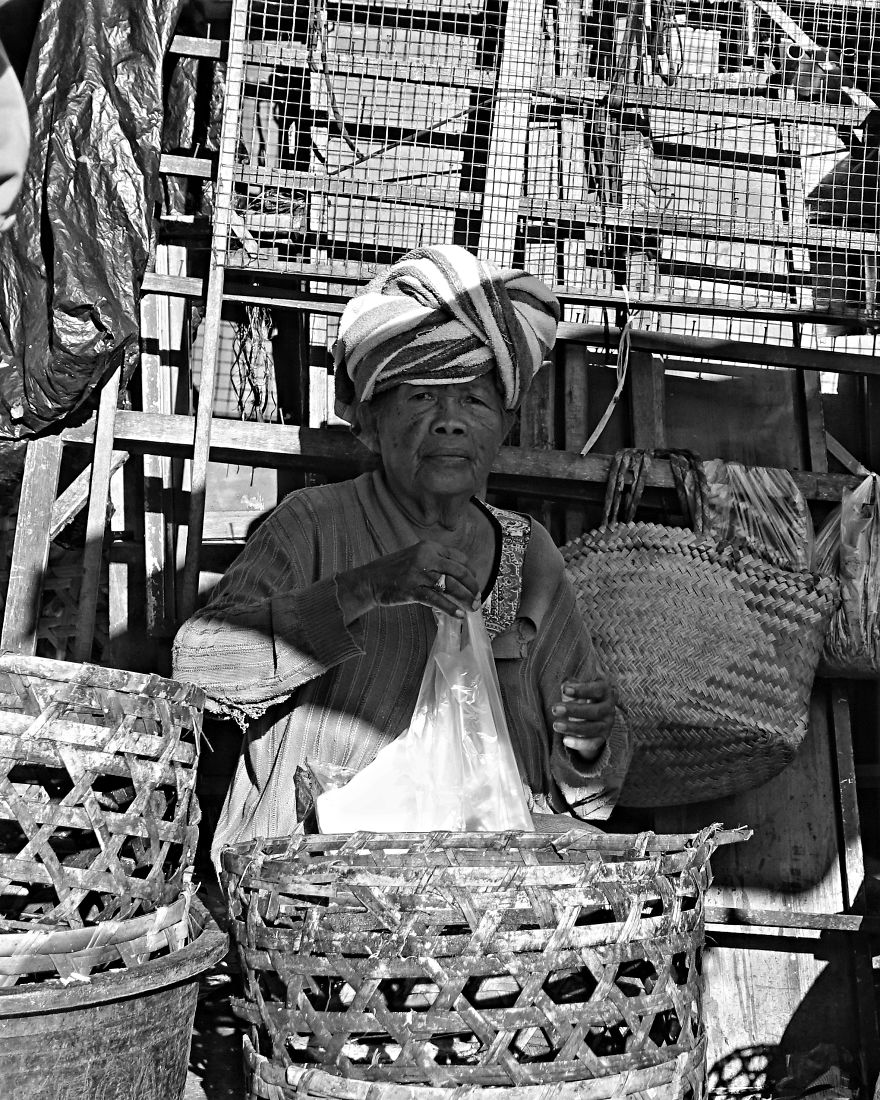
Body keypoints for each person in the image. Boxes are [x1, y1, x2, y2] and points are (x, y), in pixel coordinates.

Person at [172, 245, 631, 862]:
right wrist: (370, 587)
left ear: (504, 425)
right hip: (320, 870)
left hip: (487, 874)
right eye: (421, 397)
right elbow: (200, 664)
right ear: (370, 422)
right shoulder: (313, 523)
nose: (450, 422)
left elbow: (592, 784)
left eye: (474, 401)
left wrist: (589, 742)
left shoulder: (531, 554)